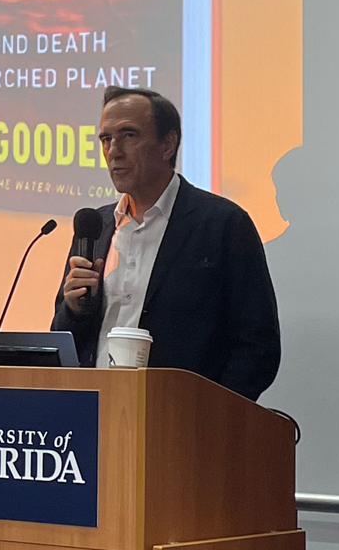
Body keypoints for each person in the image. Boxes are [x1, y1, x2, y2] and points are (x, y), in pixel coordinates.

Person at [52, 86, 282, 399]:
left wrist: (211, 413)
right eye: (106, 139)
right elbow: (64, 340)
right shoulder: (97, 227)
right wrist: (74, 311)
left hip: (182, 424)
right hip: (96, 415)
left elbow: (258, 345)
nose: (114, 151)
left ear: (168, 144)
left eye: (129, 135)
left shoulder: (222, 224)